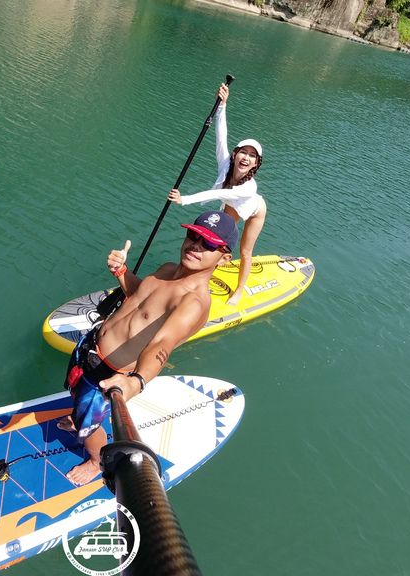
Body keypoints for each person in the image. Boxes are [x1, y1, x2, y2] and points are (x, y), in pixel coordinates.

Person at [61, 210, 238, 485]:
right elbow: (138, 297)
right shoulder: (167, 269)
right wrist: (122, 271)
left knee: (91, 426)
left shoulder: (193, 303)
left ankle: (96, 461)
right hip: (90, 347)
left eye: (209, 244)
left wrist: (137, 382)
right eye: (193, 235)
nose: (196, 246)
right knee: (76, 393)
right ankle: (78, 415)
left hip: (110, 372)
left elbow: (161, 345)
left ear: (225, 257)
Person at [167, 83, 266, 306]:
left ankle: (239, 289)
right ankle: (198, 271)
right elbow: (222, 136)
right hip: (230, 205)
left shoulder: (250, 187)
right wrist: (222, 105)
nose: (246, 157)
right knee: (211, 240)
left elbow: (218, 192)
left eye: (252, 156)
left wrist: (185, 200)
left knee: (244, 250)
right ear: (235, 154)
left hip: (253, 209)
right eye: (243, 152)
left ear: (256, 164)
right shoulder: (225, 164)